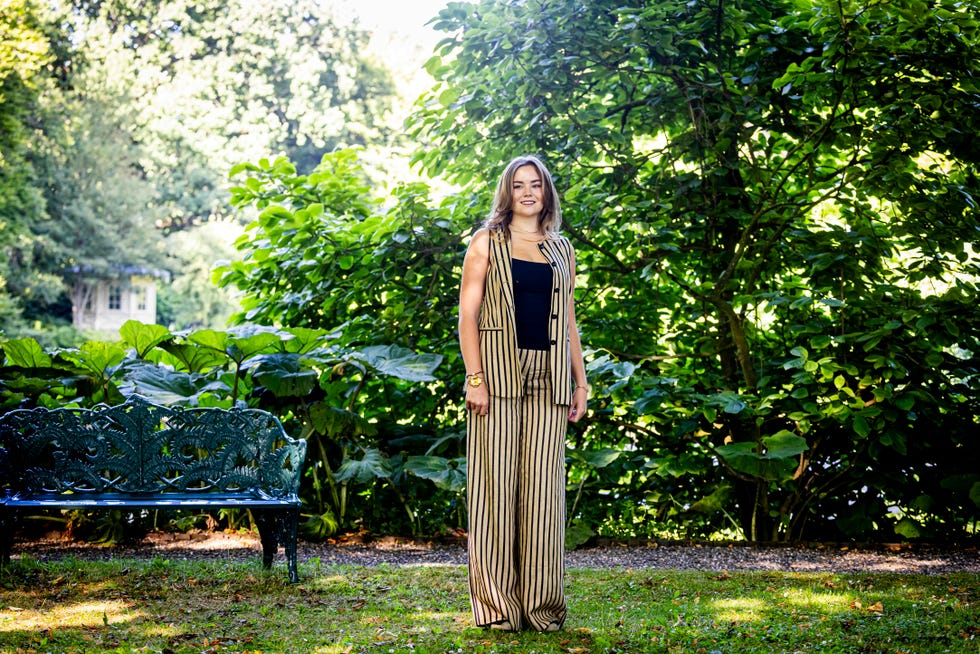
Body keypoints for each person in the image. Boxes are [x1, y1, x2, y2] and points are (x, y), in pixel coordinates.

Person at [458, 155, 588, 632]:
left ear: (547, 192)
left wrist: (581, 380)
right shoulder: (486, 242)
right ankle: (496, 610)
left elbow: (569, 321)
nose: (528, 192)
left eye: (536, 185)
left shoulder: (562, 250)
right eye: (519, 185)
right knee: (494, 490)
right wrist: (475, 378)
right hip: (497, 375)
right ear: (507, 193)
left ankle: (541, 609)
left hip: (550, 378)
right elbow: (467, 318)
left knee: (543, 497)